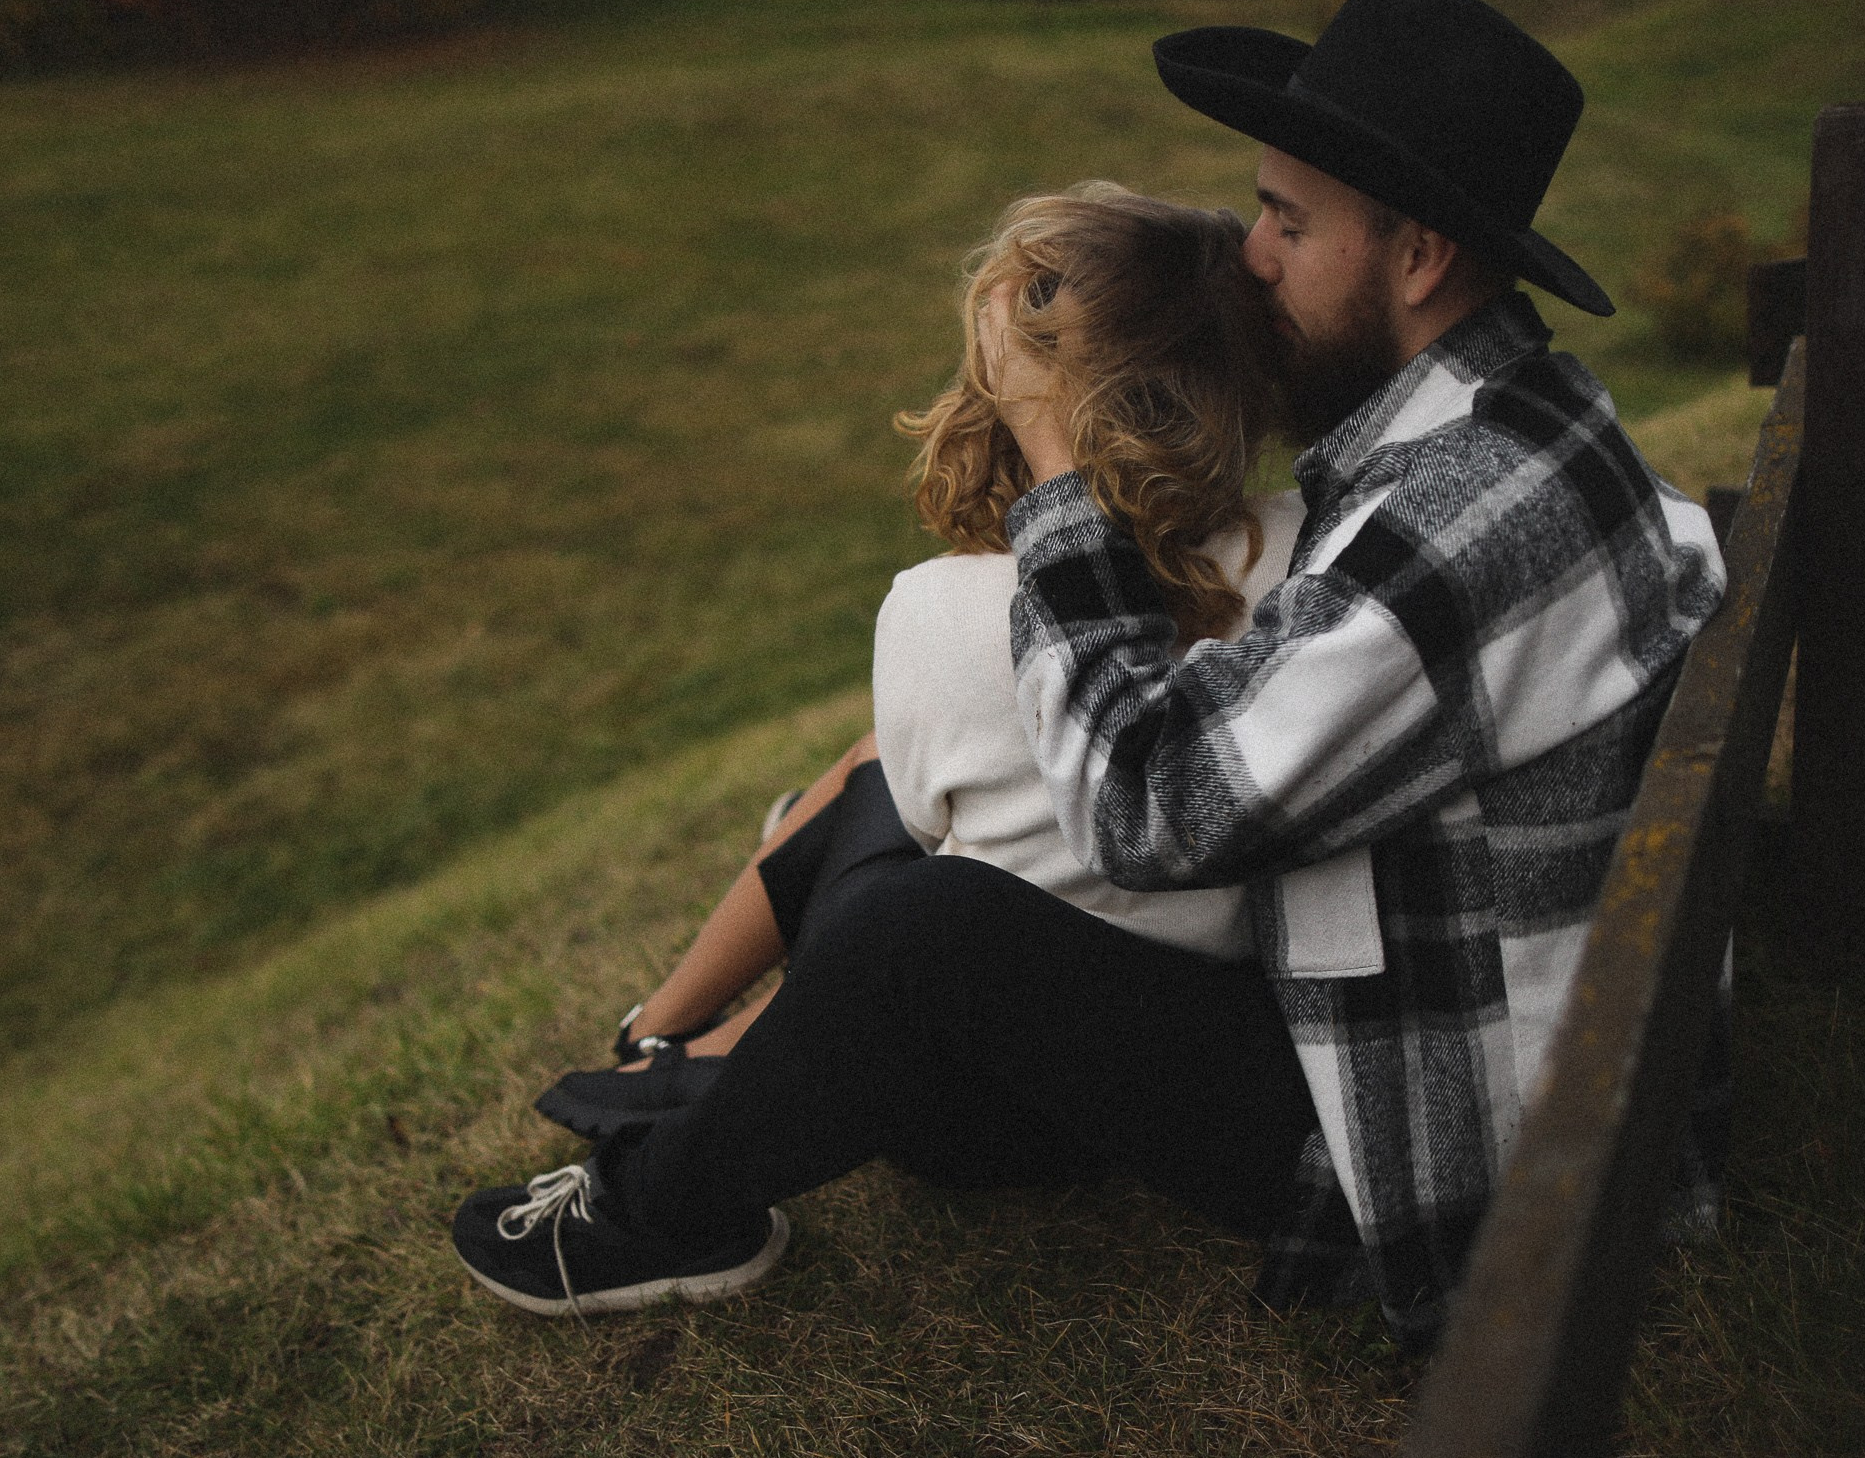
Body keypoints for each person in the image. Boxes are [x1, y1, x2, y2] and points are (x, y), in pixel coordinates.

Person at [452, 0, 1725, 1354]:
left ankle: (659, 1210)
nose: (1249, 259)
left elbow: (1151, 808)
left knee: (918, 938)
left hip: (1438, 1145)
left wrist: (1059, 463)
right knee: (912, 863)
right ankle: (711, 1067)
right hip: (1436, 1017)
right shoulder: (1515, 431)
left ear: (1418, 258)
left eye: (1290, 223)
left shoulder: (1461, 520)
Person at [454, 183, 1308, 1311]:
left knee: (878, 831)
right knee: (904, 822)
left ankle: (663, 1064)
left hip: (988, 1109)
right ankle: (677, 1037)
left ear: (1016, 394)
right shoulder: (1311, 557)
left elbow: (911, 828)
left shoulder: (945, 612)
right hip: (1184, 1052)